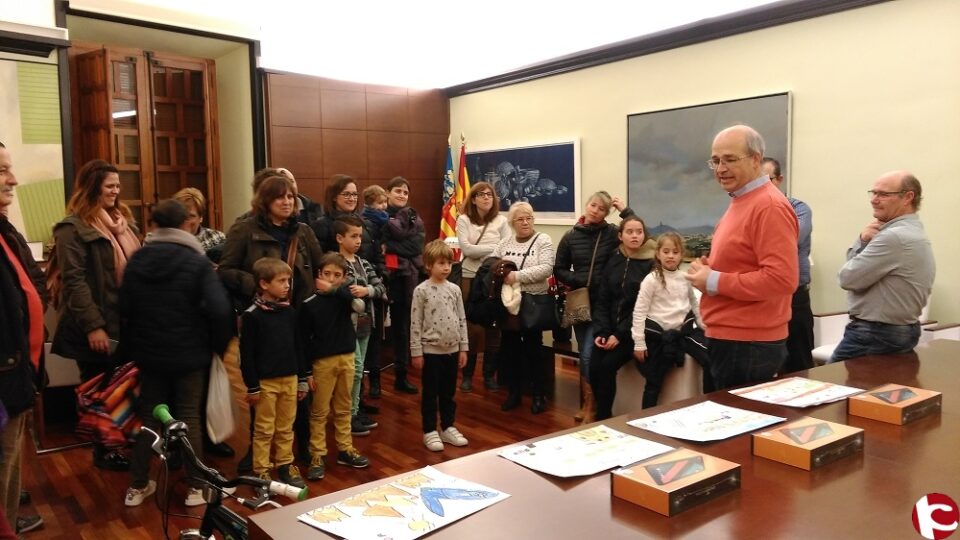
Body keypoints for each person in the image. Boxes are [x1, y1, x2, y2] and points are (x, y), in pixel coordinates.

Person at [121, 199, 234, 507]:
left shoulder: (138, 259)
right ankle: (196, 489)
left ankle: (137, 486)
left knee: (150, 418)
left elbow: (125, 309)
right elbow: (220, 310)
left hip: (149, 354)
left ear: (154, 226)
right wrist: (216, 349)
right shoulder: (196, 261)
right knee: (188, 417)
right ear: (186, 224)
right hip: (190, 354)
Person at [219, 173, 324, 471]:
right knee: (263, 389)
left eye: (291, 196)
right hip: (263, 319)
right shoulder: (244, 230)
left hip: (298, 316)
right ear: (265, 202)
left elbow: (317, 267)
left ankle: (300, 448)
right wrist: (260, 286)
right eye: (280, 197)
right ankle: (258, 452)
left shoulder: (303, 231)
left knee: (300, 384)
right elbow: (225, 270)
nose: (288, 201)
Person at [685, 125, 798, 390]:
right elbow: (744, 262)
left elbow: (781, 280)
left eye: (730, 159)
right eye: (715, 161)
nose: (721, 168)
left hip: (747, 345)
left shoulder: (768, 206)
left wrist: (712, 280)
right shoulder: (743, 200)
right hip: (732, 340)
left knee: (735, 429)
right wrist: (709, 269)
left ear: (756, 159)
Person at [52, 159, 141, 471]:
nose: (116, 192)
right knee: (98, 389)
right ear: (92, 188)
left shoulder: (125, 223)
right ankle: (104, 450)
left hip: (126, 322)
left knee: (124, 387)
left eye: (118, 186)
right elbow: (74, 282)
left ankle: (123, 443)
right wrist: (94, 326)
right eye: (109, 186)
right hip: (96, 326)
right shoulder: (72, 228)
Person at [831, 172, 935, 362]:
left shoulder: (893, 237)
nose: (874, 200)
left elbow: (847, 278)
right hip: (899, 331)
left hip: (875, 334)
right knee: (875, 390)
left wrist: (860, 242)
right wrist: (864, 240)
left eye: (883, 194)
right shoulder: (913, 232)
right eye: (873, 193)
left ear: (908, 197)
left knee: (831, 388)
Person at [554, 191, 635, 421]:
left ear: (606, 213)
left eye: (601, 209)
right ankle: (590, 401)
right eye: (593, 205)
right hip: (580, 302)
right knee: (586, 353)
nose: (595, 211)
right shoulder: (571, 236)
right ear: (587, 204)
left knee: (592, 355)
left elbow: (637, 233)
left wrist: (625, 211)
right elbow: (558, 268)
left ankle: (594, 404)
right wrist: (579, 280)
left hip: (605, 304)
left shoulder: (611, 233)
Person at [0, 142, 47, 536]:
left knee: (11, 467)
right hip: (4, 382)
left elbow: (30, 281)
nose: (13, 179)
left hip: (18, 376)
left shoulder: (5, 229)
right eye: (1, 170)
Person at [171, 186, 233, 458]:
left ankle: (210, 437)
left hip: (209, 322)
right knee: (177, 388)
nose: (189, 221)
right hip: (177, 323)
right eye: (184, 215)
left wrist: (218, 273)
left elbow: (230, 277)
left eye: (194, 215)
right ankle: (176, 443)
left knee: (209, 385)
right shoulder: (164, 241)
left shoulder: (216, 238)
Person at [299, 253, 370, 481]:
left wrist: (334, 288)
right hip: (322, 363)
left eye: (337, 275)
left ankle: (345, 449)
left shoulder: (343, 299)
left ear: (344, 278)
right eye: (326, 274)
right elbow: (302, 342)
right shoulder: (309, 305)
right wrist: (307, 372)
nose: (331, 278)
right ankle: (317, 454)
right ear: (318, 275)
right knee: (319, 411)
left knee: (344, 407)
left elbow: (358, 301)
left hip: (347, 358)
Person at [239, 257, 308, 492]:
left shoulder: (290, 313)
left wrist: (302, 379)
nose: (287, 285)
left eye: (288, 280)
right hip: (266, 383)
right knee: (264, 429)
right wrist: (252, 386)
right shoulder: (251, 316)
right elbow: (246, 355)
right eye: (281, 281)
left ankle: (285, 464)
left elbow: (299, 346)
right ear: (264, 284)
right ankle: (261, 470)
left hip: (289, 379)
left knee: (286, 427)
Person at [631, 232, 712, 409]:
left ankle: (709, 405)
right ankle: (645, 419)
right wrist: (639, 342)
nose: (670, 256)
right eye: (666, 251)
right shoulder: (650, 280)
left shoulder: (685, 278)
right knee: (654, 381)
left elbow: (693, 303)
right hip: (659, 337)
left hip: (682, 333)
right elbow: (639, 311)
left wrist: (702, 324)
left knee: (709, 359)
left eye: (675, 252)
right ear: (658, 254)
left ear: (681, 255)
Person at [587, 216, 656, 420]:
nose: (635, 236)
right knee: (593, 366)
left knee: (607, 366)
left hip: (633, 333)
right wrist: (602, 331)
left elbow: (642, 307)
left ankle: (604, 417)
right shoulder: (614, 257)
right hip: (608, 329)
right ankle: (601, 412)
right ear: (620, 236)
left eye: (639, 232)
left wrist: (619, 334)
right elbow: (603, 298)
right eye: (630, 232)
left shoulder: (651, 263)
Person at [491, 202, 555, 414]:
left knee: (534, 351)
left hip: (533, 304)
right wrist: (502, 274)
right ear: (512, 222)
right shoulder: (505, 242)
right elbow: (492, 264)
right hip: (509, 306)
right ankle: (514, 393)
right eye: (520, 219)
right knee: (510, 351)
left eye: (529, 218)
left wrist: (515, 276)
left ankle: (539, 395)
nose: (525, 222)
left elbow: (546, 269)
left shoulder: (542, 240)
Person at [411, 240, 470, 451]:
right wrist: (417, 352)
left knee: (448, 392)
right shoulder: (421, 291)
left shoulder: (454, 290)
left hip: (452, 351)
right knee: (430, 393)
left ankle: (447, 427)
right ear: (429, 265)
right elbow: (415, 322)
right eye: (441, 263)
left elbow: (461, 318)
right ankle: (429, 430)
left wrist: (463, 347)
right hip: (431, 352)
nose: (446, 267)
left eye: (449, 263)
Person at [332, 216, 386, 436]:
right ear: (339, 238)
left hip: (365, 324)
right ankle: (346, 415)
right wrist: (357, 291)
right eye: (353, 236)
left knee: (359, 370)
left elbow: (380, 287)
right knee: (352, 371)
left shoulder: (364, 263)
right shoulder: (335, 264)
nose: (357, 241)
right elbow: (341, 289)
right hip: (346, 326)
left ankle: (354, 411)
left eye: (359, 237)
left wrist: (367, 291)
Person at [455, 181, 510, 392]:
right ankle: (467, 376)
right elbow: (467, 250)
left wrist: (485, 250)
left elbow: (505, 250)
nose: (486, 197)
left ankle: (489, 376)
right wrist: (493, 249)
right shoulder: (464, 219)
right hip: (470, 277)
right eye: (481, 194)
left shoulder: (502, 221)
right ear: (474, 199)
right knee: (471, 328)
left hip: (493, 279)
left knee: (493, 328)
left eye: (490, 194)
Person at [761, 158, 814, 372]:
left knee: (799, 365)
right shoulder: (751, 210)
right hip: (766, 299)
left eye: (768, 180)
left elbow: (788, 240)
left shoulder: (798, 208)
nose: (762, 187)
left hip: (795, 298)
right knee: (770, 366)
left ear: (780, 179)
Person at [381, 177, 425, 394]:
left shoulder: (414, 217)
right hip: (383, 276)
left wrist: (391, 246)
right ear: (387, 192)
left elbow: (416, 245)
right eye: (397, 190)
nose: (401, 195)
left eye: (405, 192)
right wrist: (396, 247)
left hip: (407, 278)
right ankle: (374, 382)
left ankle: (401, 375)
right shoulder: (379, 216)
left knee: (401, 328)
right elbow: (377, 246)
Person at [361, 185, 389, 398]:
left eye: (384, 202)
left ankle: (377, 381)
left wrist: (382, 275)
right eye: (380, 203)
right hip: (365, 284)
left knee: (377, 335)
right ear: (370, 203)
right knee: (366, 336)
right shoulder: (364, 223)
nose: (384, 207)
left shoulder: (385, 223)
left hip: (378, 281)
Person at [172, 187, 226, 259]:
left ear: (201, 218)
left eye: (191, 216)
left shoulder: (217, 238)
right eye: (181, 215)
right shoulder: (160, 240)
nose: (184, 220)